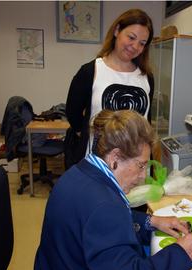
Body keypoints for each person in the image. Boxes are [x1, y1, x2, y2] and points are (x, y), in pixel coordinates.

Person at [27, 110, 192, 270]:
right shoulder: (106, 206)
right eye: (141, 165)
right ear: (115, 158)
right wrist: (180, 252)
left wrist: (152, 221)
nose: (144, 176)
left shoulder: (77, 174)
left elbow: (96, 223)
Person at [64, 8, 155, 170]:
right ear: (117, 30)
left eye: (142, 43)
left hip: (135, 165)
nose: (135, 47)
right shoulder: (90, 71)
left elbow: (146, 123)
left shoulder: (146, 77)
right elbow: (73, 113)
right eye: (131, 37)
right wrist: (87, 135)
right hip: (97, 163)